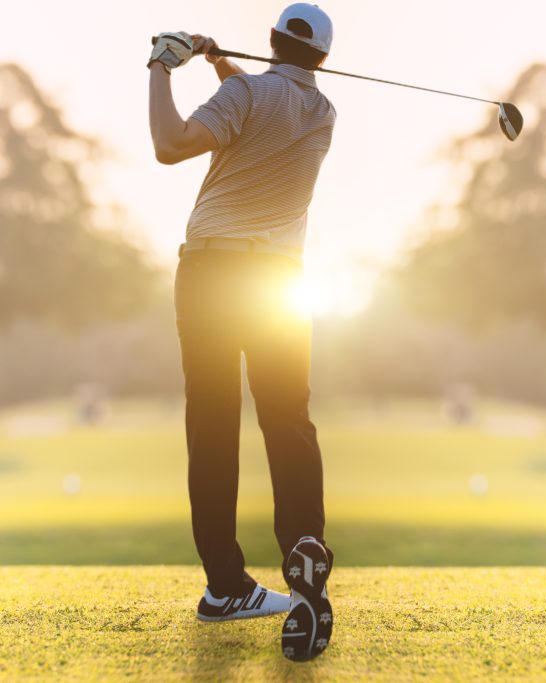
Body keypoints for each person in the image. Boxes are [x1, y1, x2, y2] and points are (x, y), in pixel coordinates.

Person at [147, 3, 336, 662]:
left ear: (273, 40)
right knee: (289, 419)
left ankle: (226, 584)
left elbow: (171, 146)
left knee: (213, 422)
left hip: (211, 276)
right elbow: (264, 97)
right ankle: (304, 545)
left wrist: (162, 68)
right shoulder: (322, 113)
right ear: (323, 58)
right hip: (280, 284)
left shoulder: (246, 93)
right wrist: (219, 60)